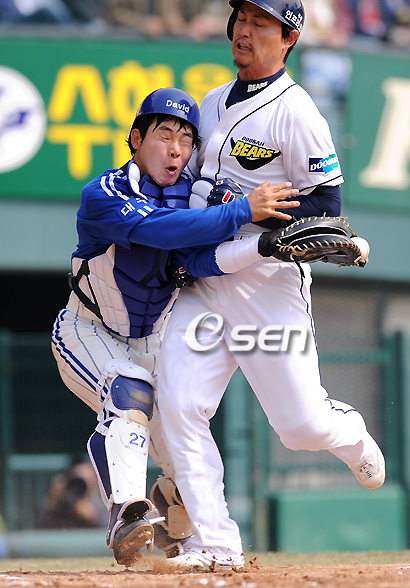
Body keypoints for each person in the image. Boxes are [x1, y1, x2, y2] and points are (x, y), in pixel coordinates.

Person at [156, 0, 386, 572]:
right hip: (207, 276)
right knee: (179, 403)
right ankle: (215, 544)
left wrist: (255, 212)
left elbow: (327, 204)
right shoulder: (212, 102)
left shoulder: (297, 112)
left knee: (301, 428)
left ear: (289, 39)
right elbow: (190, 185)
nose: (245, 30)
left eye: (261, 23)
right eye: (241, 18)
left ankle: (349, 433)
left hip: (267, 282)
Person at [51, 86, 300, 566]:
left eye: (186, 140)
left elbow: (201, 260)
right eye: (164, 135)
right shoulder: (105, 192)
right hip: (88, 331)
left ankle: (172, 524)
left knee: (188, 451)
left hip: (153, 339)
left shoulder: (195, 196)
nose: (175, 149)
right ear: (136, 139)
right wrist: (240, 211)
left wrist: (263, 246)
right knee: (129, 390)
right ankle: (126, 513)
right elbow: (159, 230)